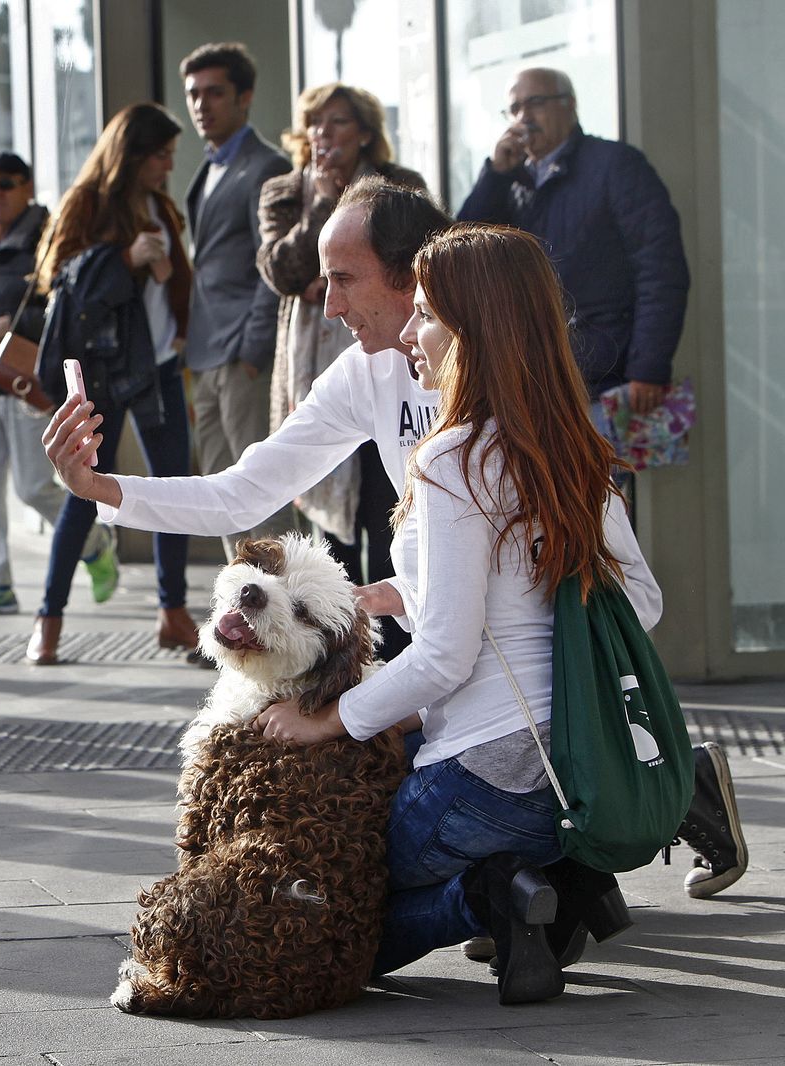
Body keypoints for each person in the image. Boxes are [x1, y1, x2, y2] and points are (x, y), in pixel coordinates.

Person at [45, 177, 744, 920]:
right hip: (460, 701)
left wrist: (499, 617)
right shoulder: (369, 372)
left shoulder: (511, 405)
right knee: (366, 785)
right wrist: (100, 487)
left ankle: (605, 818)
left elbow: (630, 596)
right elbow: (244, 492)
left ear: (418, 280)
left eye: (343, 279)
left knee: (341, 891)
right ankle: (568, 864)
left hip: (516, 708)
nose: (329, 305)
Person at [258, 82, 425, 659]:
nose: (324, 135)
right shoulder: (286, 190)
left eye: (337, 122)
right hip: (316, 369)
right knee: (329, 522)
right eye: (315, 124)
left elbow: (425, 257)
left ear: (364, 130)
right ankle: (345, 656)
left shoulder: (402, 188)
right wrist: (325, 206)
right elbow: (281, 270)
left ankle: (401, 654)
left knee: (391, 511)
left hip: (396, 364)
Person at [26, 102, 196, 666]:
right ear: (133, 154)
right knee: (83, 490)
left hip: (161, 366)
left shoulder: (161, 206)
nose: (168, 166)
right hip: (102, 369)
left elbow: (173, 288)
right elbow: (58, 279)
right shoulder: (88, 202)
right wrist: (123, 258)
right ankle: (48, 619)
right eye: (160, 156)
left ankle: (173, 613)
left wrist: (169, 277)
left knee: (173, 489)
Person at [0, 151, 113, 617]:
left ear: (27, 187)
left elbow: (65, 302)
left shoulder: (48, 235)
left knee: (35, 486)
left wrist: (15, 328)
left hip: (23, 381)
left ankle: (95, 542)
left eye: (6, 183)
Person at [456, 67, 689, 414]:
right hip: (529, 384)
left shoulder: (616, 165)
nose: (523, 117)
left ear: (570, 105)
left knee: (600, 471)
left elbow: (660, 270)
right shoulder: (510, 180)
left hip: (604, 380)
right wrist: (496, 176)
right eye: (514, 109)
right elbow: (461, 258)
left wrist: (648, 369)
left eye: (534, 103)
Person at [178, 43, 293, 560]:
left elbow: (272, 266)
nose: (202, 105)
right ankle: (247, 621)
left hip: (243, 358)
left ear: (244, 98)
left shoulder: (265, 166)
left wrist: (253, 350)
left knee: (260, 494)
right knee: (224, 496)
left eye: (215, 93)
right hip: (207, 353)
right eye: (194, 95)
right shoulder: (208, 170)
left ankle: (292, 623)